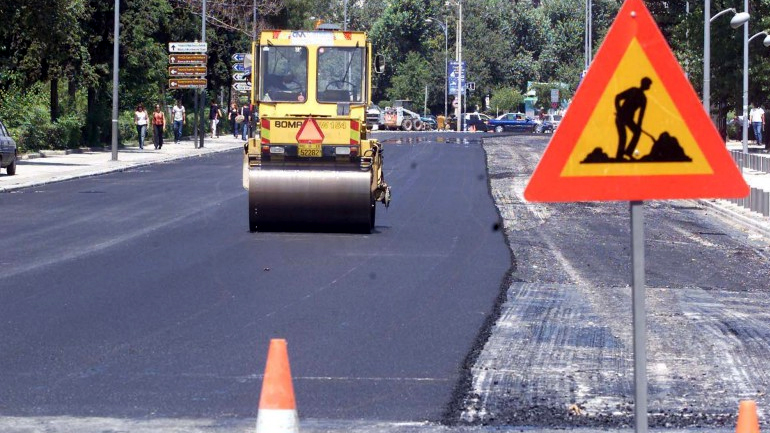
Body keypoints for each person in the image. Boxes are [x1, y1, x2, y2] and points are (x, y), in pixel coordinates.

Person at [615, 77, 652, 161]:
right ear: (644, 84)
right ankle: (619, 157)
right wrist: (618, 110)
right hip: (620, 117)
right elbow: (617, 97)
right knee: (623, 137)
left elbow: (641, 115)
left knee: (637, 132)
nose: (649, 86)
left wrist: (638, 126)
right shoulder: (633, 90)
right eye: (648, 84)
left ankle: (628, 152)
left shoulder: (643, 99)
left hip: (629, 119)